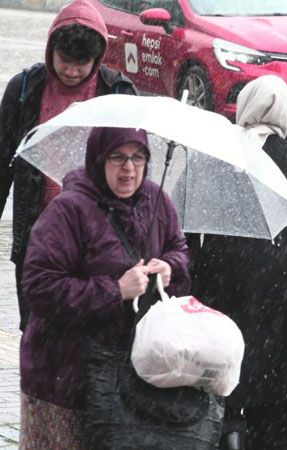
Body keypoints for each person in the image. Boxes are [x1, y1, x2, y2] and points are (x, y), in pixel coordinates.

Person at [191, 75, 287, 450]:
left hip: (227, 287)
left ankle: (228, 430)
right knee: (280, 383)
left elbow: (192, 226)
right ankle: (272, 439)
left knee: (228, 374)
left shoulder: (219, 157)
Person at [18, 127, 190, 448]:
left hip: (125, 380)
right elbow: (40, 287)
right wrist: (116, 290)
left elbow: (178, 250)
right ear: (99, 159)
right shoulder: (68, 211)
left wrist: (170, 268)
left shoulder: (157, 201)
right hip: (65, 381)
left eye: (138, 157)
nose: (129, 168)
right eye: (118, 157)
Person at [0, 0, 138, 332]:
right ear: (51, 49)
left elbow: (134, 171)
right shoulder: (24, 89)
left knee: (89, 335)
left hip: (98, 240)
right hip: (37, 238)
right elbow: (2, 163)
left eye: (82, 64)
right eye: (65, 61)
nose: (72, 72)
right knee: (36, 330)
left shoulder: (117, 93)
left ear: (98, 58)